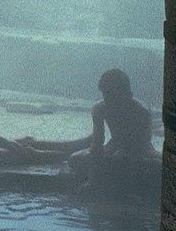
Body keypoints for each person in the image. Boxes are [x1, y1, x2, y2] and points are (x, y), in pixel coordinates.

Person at [20, 68, 157, 183]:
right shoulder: (100, 108)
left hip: (139, 151)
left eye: (109, 93)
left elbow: (139, 147)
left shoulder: (140, 112)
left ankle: (37, 150)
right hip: (114, 145)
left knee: (138, 164)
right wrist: (93, 179)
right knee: (76, 159)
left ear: (124, 92)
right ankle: (36, 148)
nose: (105, 98)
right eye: (104, 93)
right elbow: (97, 144)